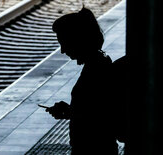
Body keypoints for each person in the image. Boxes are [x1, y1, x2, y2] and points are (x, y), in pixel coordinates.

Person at [46, 7, 119, 155]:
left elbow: (100, 117)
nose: (62, 50)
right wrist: (70, 111)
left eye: (64, 43)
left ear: (77, 40)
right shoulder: (100, 61)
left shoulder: (96, 69)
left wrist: (69, 112)